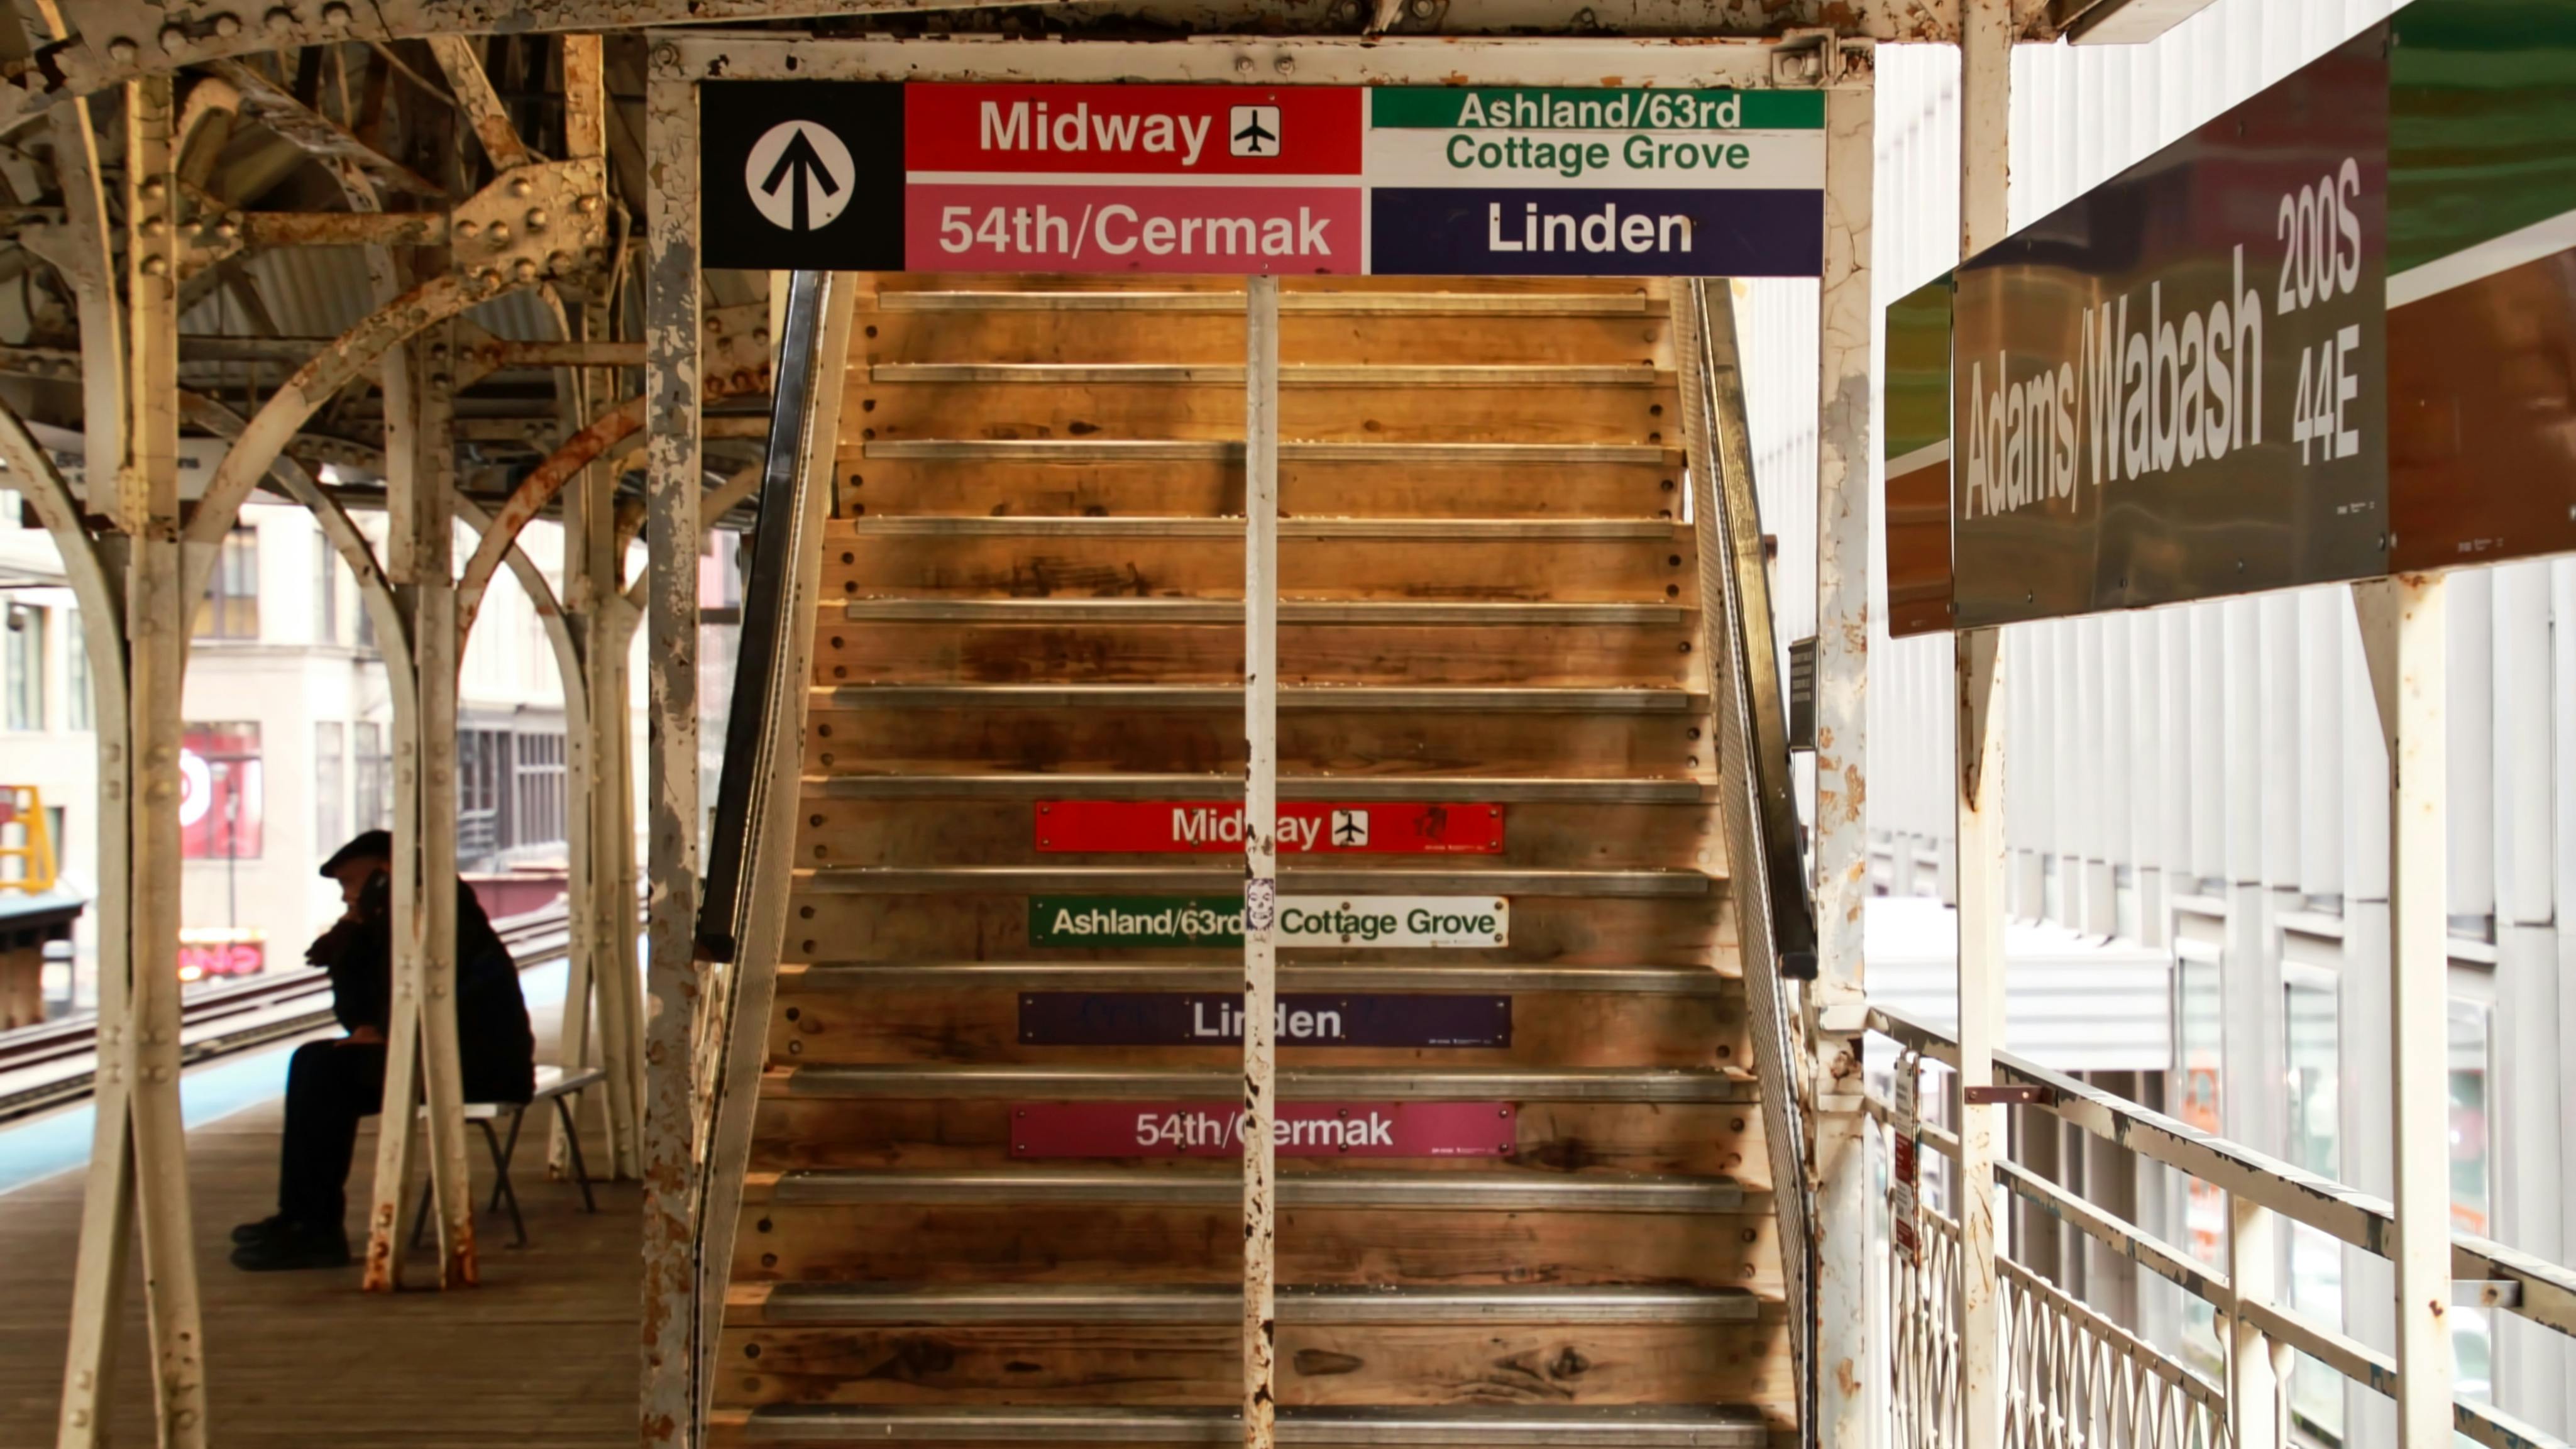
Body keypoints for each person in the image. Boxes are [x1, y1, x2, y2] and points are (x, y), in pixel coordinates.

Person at [230, 830, 537, 1270]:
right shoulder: (386, 922)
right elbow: (360, 1011)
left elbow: (442, 995)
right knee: (315, 1060)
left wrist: (391, 1031)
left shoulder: (442, 914)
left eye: (351, 882)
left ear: (386, 872)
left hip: (481, 1066)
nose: (346, 897)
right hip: (440, 1058)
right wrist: (350, 943)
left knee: (325, 1075)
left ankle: (314, 1228)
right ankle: (300, 1218)